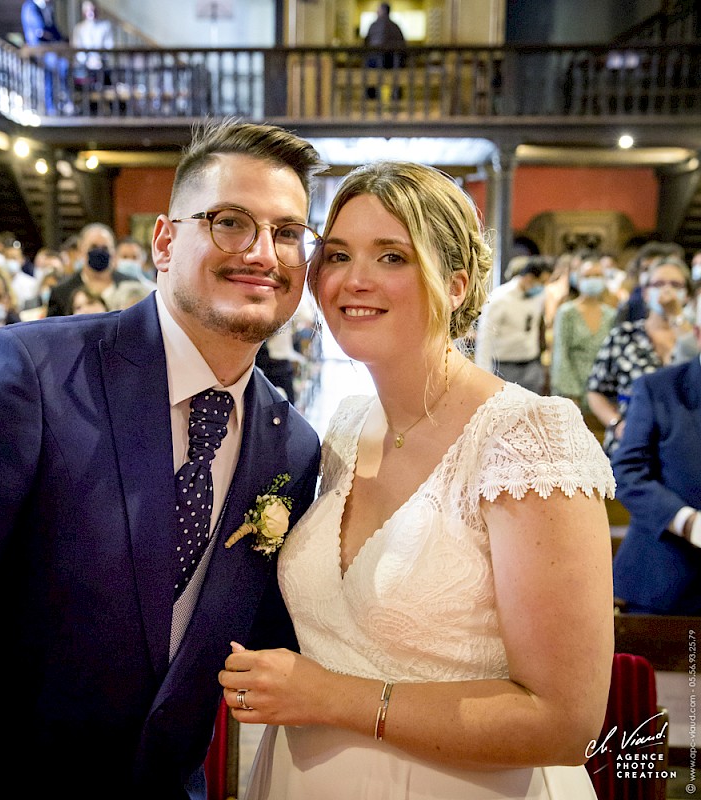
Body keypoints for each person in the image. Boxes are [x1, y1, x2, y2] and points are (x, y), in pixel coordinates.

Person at [0, 120, 324, 798]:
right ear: (164, 240)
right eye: (230, 222)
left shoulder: (292, 445)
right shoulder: (27, 376)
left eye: (287, 232)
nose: (262, 253)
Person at [219, 161, 614, 800]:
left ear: (455, 284)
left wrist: (330, 697)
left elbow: (565, 723)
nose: (355, 279)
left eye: (393, 256)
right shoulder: (347, 426)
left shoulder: (527, 437)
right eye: (339, 254)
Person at [611, 293, 701, 614]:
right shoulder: (660, 389)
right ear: (699, 334)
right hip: (666, 574)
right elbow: (627, 472)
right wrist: (686, 521)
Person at [587, 256, 694, 457]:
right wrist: (616, 423)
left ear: (686, 295)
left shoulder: (693, 340)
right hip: (632, 445)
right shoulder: (624, 336)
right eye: (659, 284)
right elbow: (596, 390)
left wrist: (677, 317)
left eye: (675, 284)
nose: (666, 291)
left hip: (683, 447)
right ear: (646, 293)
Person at [474, 255, 554, 394]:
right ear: (529, 278)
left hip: (531, 366)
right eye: (542, 282)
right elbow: (485, 338)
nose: (543, 287)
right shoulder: (500, 298)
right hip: (505, 367)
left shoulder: (539, 296)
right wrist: (483, 374)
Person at [550, 255, 616, 416]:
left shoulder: (611, 314)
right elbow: (561, 353)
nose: (593, 280)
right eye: (588, 276)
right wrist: (571, 394)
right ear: (578, 280)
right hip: (571, 389)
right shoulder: (567, 312)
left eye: (598, 276)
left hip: (602, 390)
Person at [47, 222, 128, 316]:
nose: (99, 251)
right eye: (93, 247)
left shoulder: (130, 285)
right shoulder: (61, 292)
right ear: (81, 250)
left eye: (105, 248)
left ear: (113, 251)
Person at [21, 0, 72, 113]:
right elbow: (40, 31)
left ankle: (65, 101)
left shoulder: (48, 8)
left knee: (64, 66)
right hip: (39, 51)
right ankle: (51, 108)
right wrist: (55, 40)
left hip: (50, 50)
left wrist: (63, 40)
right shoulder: (31, 7)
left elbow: (53, 28)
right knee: (51, 72)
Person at [71, 0, 113, 81]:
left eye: (94, 10)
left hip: (101, 64)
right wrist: (87, 61)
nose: (92, 13)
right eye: (89, 10)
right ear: (84, 12)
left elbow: (109, 46)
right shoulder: (79, 28)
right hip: (84, 65)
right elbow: (78, 51)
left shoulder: (105, 26)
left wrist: (100, 59)